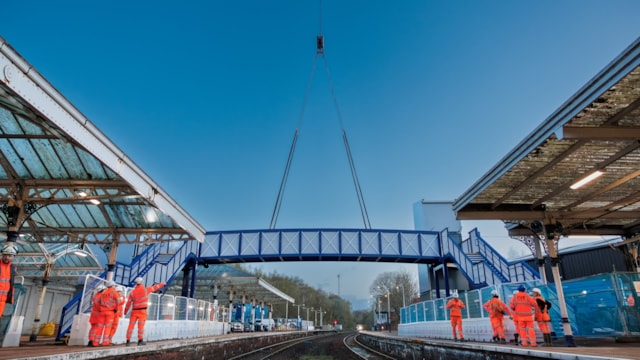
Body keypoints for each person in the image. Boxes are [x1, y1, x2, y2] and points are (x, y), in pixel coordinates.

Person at [125, 277, 165, 346]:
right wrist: (162, 284)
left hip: (134, 312)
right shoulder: (145, 290)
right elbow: (155, 287)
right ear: (141, 282)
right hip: (142, 311)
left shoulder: (132, 293)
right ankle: (140, 341)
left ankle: (128, 341)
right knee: (140, 327)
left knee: (130, 326)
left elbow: (128, 303)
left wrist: (125, 312)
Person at [93, 281, 118, 346]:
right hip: (110, 312)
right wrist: (116, 309)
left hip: (102, 312)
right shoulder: (114, 292)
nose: (115, 287)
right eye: (114, 286)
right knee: (108, 327)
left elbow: (98, 303)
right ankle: (105, 342)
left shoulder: (103, 293)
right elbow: (118, 302)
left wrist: (100, 309)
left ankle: (95, 342)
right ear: (112, 286)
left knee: (99, 327)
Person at [0, 245, 17, 317]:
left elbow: (10, 284)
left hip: (2, 300)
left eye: (9, 256)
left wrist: (10, 298)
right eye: (5, 255)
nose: (7, 257)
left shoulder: (12, 268)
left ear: (13, 257)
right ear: (2, 255)